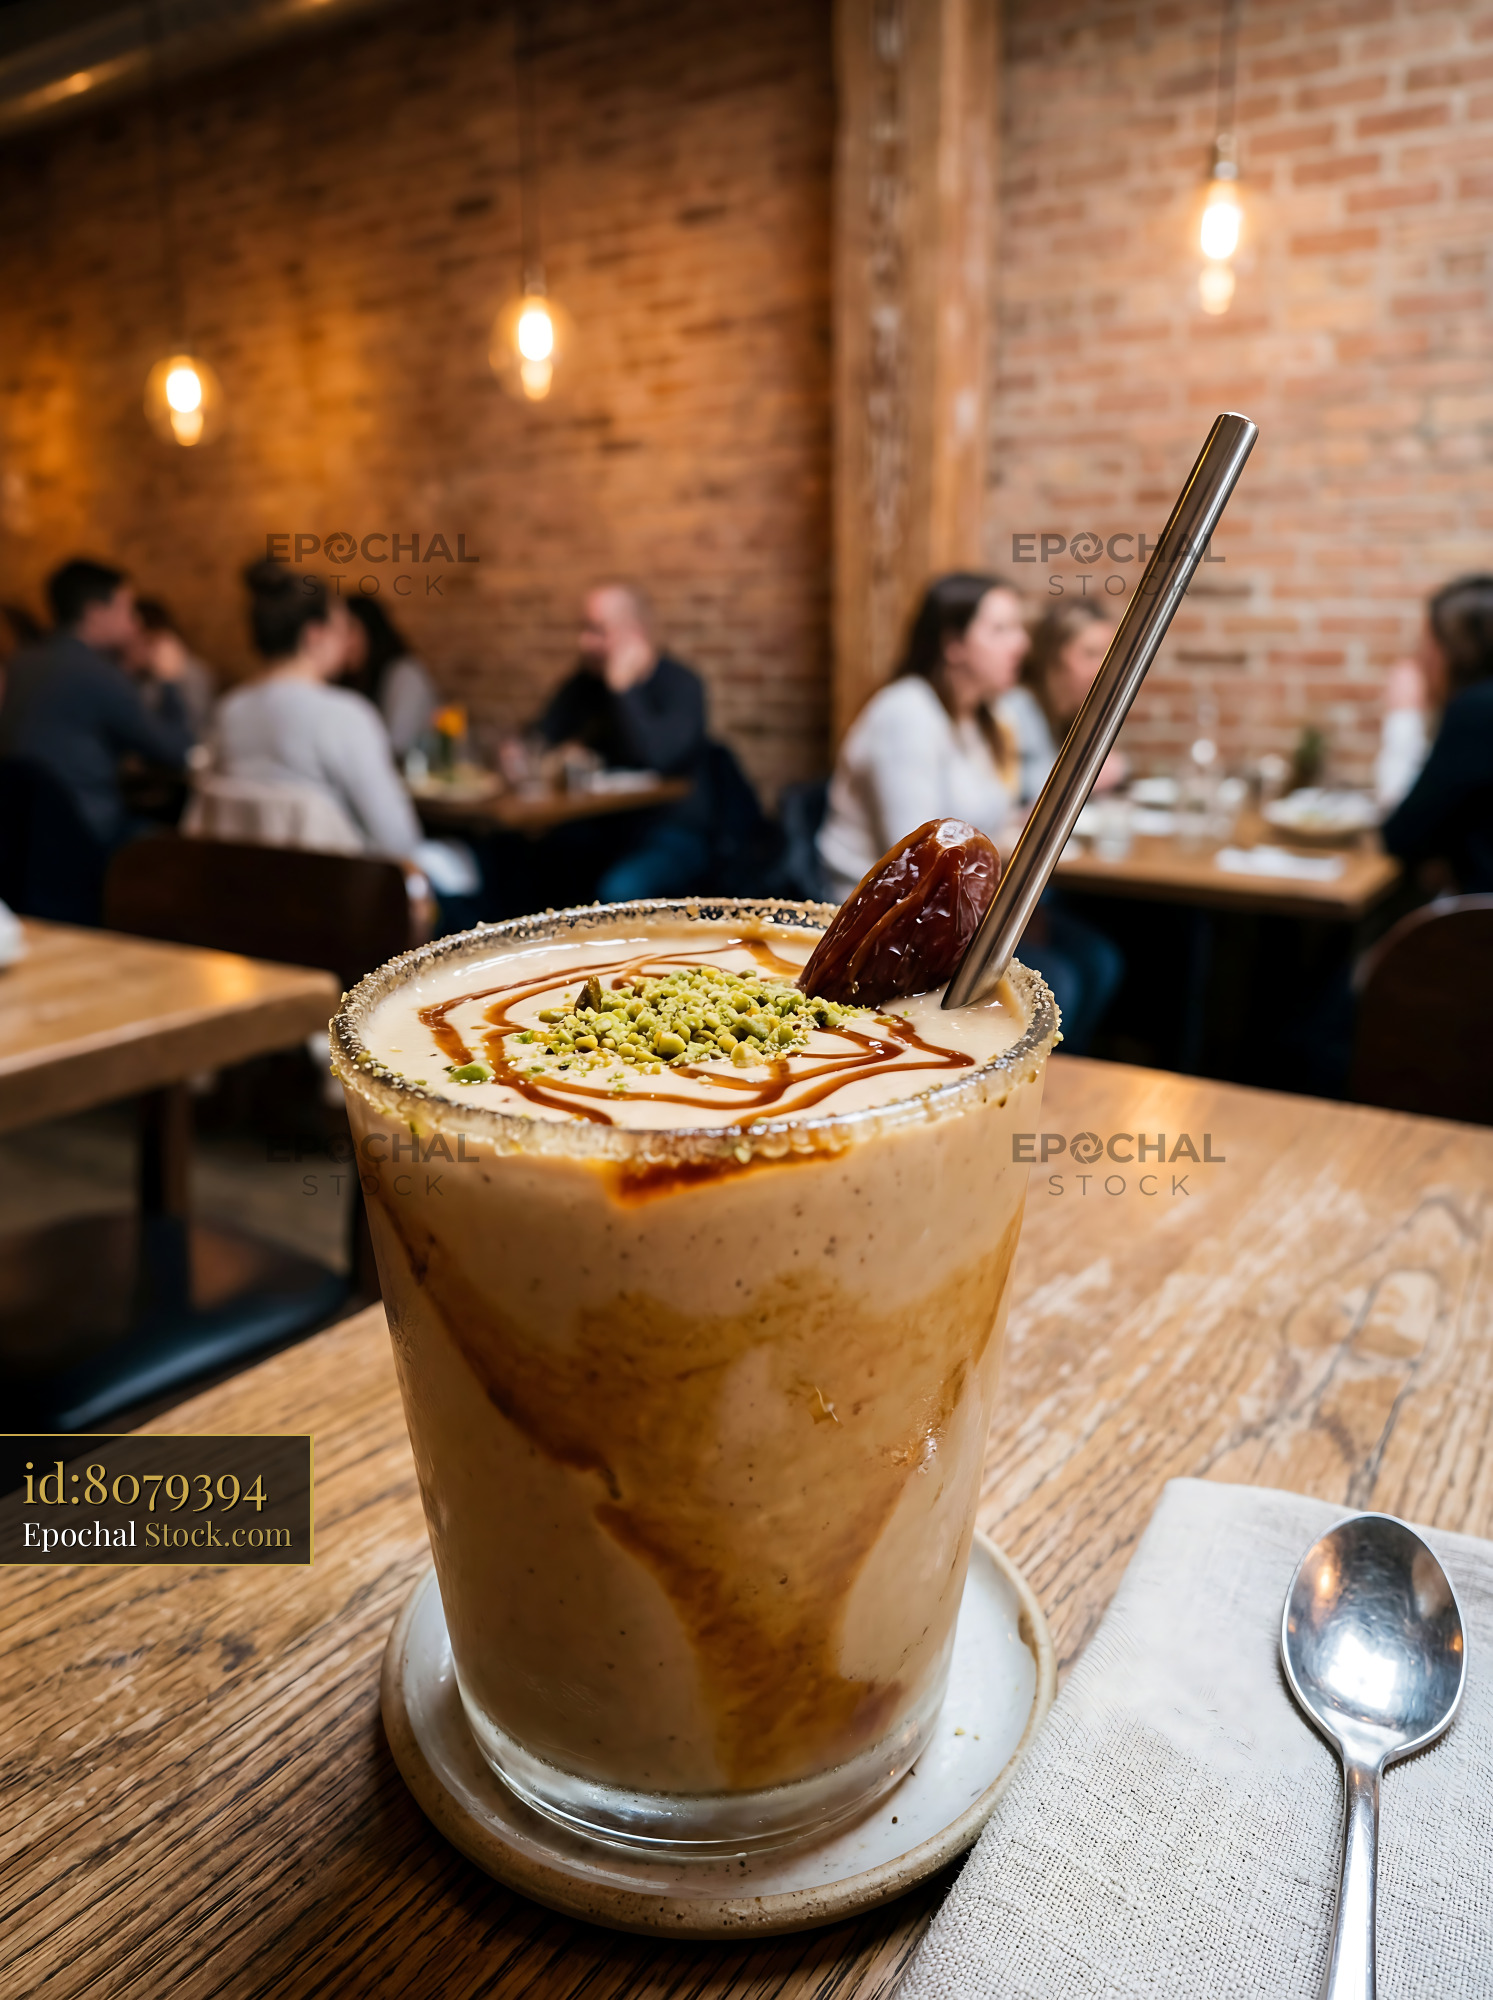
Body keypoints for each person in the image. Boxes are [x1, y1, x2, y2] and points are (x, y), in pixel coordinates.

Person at [819, 572, 1123, 1053]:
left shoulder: (989, 718)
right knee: (1060, 980)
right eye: (1001, 630)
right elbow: (919, 858)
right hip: (886, 927)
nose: (1022, 644)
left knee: (1099, 960)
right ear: (953, 644)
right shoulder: (907, 713)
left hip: (963, 915)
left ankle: (1045, 1085)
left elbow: (999, 823)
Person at [533, 582, 714, 901]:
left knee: (619, 889)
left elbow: (660, 757)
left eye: (596, 630)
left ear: (633, 633)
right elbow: (539, 737)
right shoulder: (585, 684)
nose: (584, 642)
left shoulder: (682, 684)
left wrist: (623, 689)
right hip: (604, 829)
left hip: (673, 830)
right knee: (528, 866)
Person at [0, 557, 193, 846]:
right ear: (95, 612)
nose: (134, 623)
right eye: (126, 608)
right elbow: (175, 751)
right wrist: (170, 681)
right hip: (83, 830)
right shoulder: (98, 673)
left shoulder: (20, 663)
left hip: (17, 827)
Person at [1381, 573, 1493, 892]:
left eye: (1427, 642)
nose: (1421, 656)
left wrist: (1403, 716)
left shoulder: (1477, 712)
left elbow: (1400, 838)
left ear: (1457, 649)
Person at [1001, 599, 1126, 807]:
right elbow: (1016, 794)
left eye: (1108, 655)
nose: (1103, 668)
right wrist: (1085, 775)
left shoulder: (1070, 715)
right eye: (1090, 653)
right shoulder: (1015, 710)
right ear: (1054, 657)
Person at [342, 596, 437, 759]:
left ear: (372, 630)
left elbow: (397, 742)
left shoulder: (405, 674)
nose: (344, 642)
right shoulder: (353, 679)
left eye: (350, 629)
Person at [131, 598, 218, 740]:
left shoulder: (192, 674)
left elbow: (193, 729)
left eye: (148, 641)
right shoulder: (138, 677)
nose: (138, 649)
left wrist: (168, 683)